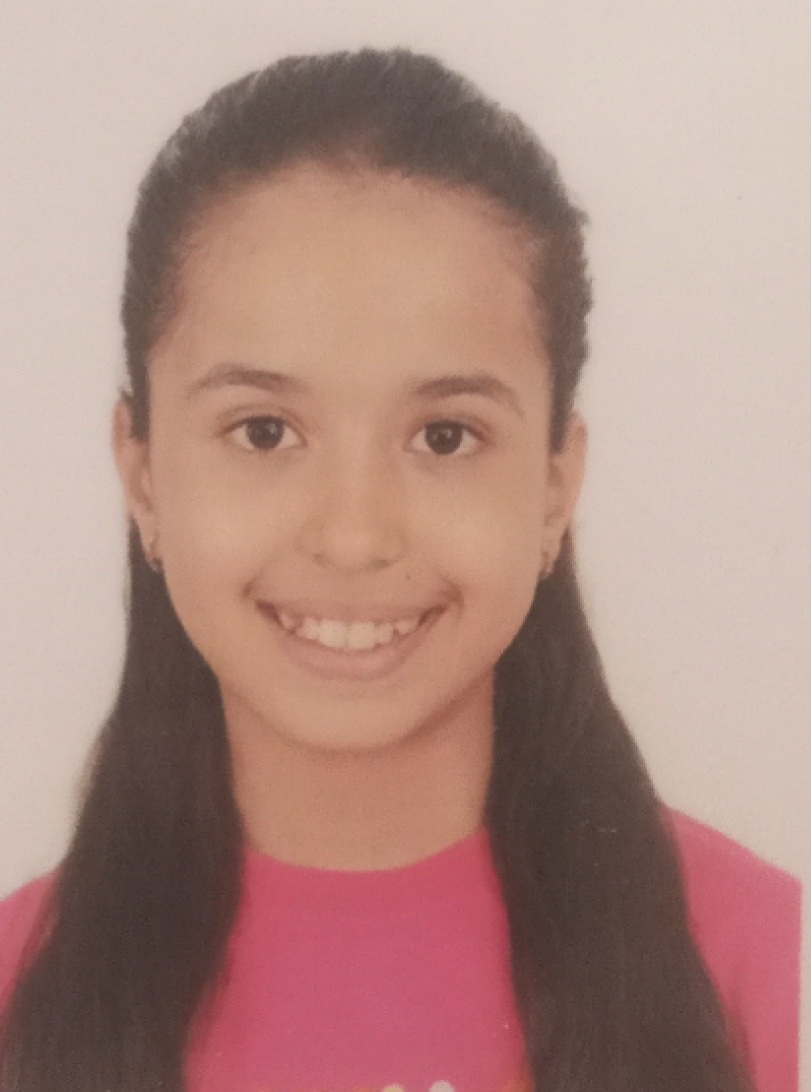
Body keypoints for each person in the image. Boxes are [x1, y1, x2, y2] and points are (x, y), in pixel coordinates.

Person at [0, 47, 800, 1092]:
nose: (353, 536)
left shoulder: (771, 970)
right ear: (143, 475)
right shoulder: (17, 999)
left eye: (444, 437)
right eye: (263, 430)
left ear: (553, 487)